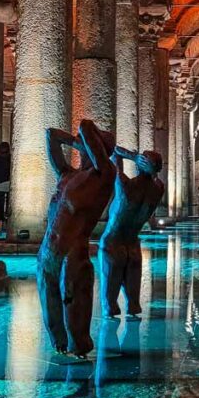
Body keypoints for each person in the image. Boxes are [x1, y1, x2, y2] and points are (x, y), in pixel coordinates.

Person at [37, 119, 116, 357]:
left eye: (88, 145)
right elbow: (51, 134)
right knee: (51, 314)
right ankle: (59, 351)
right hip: (47, 251)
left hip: (73, 253)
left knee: (73, 308)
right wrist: (77, 143)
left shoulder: (104, 175)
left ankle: (80, 352)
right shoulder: (67, 175)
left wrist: (84, 142)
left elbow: (85, 125)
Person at [98, 147, 164, 318]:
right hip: (133, 246)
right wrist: (146, 163)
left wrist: (133, 156)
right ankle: (133, 320)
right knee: (134, 306)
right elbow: (155, 176)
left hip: (113, 244)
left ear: (140, 164)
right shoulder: (157, 190)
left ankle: (110, 337)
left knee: (110, 306)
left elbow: (114, 152)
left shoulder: (125, 186)